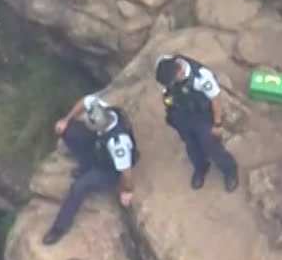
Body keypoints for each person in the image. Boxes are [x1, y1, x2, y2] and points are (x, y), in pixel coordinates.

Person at [42, 95, 138, 245]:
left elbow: (126, 172)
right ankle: (86, 166)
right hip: (101, 148)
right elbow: (85, 101)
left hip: (110, 170)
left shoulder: (117, 143)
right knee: (68, 130)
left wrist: (127, 190)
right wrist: (66, 120)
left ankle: (59, 228)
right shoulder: (102, 111)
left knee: (79, 186)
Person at [153, 54, 239, 193]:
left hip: (202, 115)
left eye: (172, 81)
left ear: (180, 71)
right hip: (181, 112)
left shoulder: (201, 77)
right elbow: (166, 92)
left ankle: (229, 170)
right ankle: (201, 168)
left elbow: (215, 99)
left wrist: (217, 125)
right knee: (191, 145)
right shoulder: (164, 64)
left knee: (211, 145)